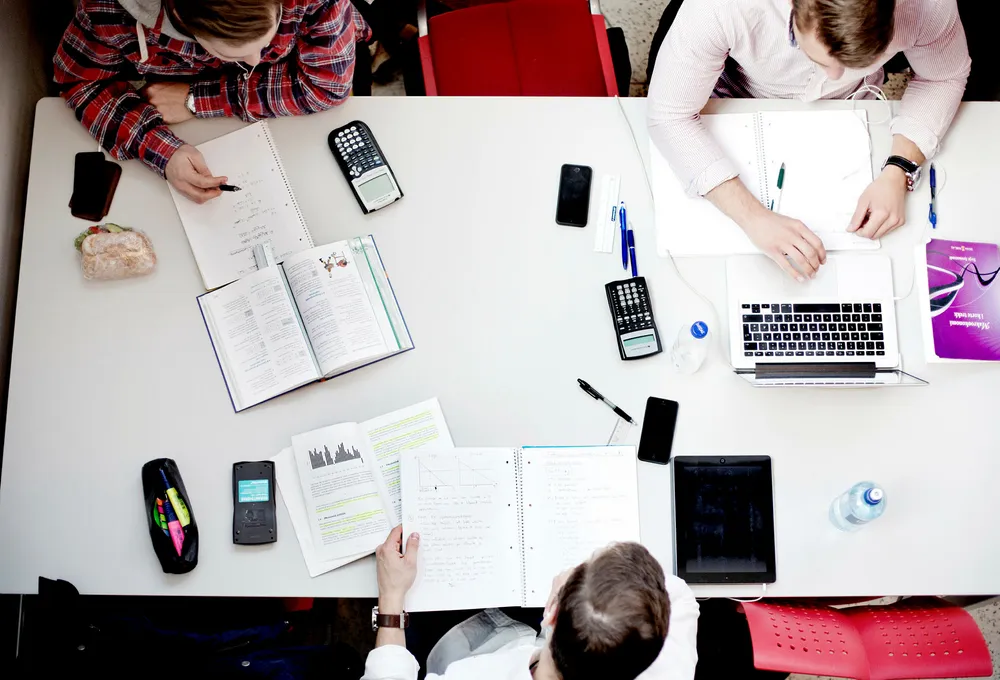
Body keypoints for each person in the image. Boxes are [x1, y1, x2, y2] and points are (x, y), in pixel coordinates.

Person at [648, 0, 971, 281]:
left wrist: (899, 168)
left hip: (850, 109)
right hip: (734, 97)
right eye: (821, 60)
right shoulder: (723, 6)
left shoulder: (926, 5)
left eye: (853, 62)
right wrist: (753, 217)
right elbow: (669, 115)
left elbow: (943, 76)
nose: (835, 76)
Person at [54, 0, 370, 204]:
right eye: (231, 51)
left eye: (268, 41)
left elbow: (326, 87)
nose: (255, 61)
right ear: (180, 18)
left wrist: (196, 98)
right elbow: (81, 82)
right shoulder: (107, 11)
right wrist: (163, 151)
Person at [362, 526, 699, 680]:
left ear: (550, 613)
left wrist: (391, 597)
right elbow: (677, 593)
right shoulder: (669, 666)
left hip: (472, 644)